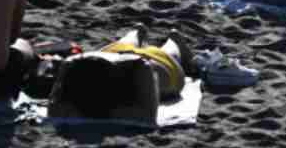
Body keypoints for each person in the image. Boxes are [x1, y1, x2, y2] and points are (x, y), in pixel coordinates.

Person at [47, 26, 198, 123]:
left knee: (169, 53)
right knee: (161, 51)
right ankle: (142, 34)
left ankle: (162, 39)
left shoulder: (141, 81)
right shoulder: (74, 73)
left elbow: (148, 117)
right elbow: (67, 66)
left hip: (148, 61)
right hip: (112, 53)